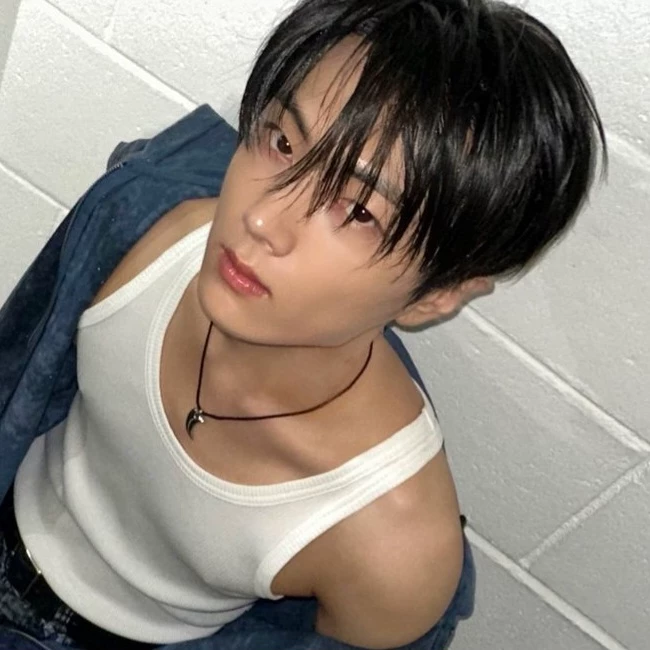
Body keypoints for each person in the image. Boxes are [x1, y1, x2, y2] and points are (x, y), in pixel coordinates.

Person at [0, 0, 605, 648]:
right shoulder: (149, 221)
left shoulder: (390, 546)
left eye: (360, 211)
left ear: (435, 296)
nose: (260, 218)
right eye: (283, 142)